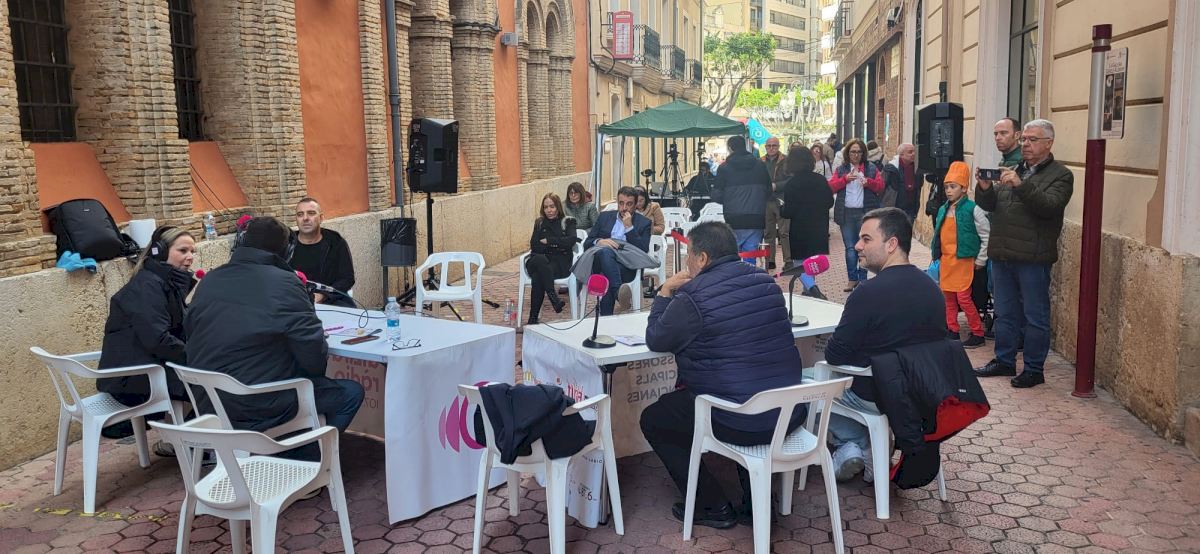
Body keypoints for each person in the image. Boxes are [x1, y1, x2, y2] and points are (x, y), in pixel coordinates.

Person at [640, 221, 805, 528]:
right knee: (745, 388)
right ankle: (758, 505)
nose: (688, 263)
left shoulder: (693, 295)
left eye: (690, 255)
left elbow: (657, 339)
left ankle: (712, 505)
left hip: (739, 421)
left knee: (655, 418)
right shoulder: (766, 282)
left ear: (702, 258)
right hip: (787, 412)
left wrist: (664, 293)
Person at [185, 217, 364, 456]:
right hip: (255, 402)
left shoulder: (210, 280)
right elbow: (314, 357)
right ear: (288, 252)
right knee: (350, 393)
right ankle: (306, 461)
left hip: (208, 399)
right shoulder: (286, 283)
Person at [824, 208, 946, 481]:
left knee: (806, 388)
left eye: (866, 239)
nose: (857, 246)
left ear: (891, 244)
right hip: (923, 396)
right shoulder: (933, 290)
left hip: (876, 395)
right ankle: (863, 445)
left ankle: (857, 443)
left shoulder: (867, 293)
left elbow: (835, 355)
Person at [973, 119, 1073, 389]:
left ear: (1049, 143)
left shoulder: (1061, 175)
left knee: (1034, 316)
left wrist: (1020, 185)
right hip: (1003, 253)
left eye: (1032, 139)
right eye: (1025, 139)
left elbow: (1049, 206)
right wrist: (984, 188)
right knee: (1005, 313)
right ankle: (1004, 360)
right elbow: (992, 205)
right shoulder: (1015, 169)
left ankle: (1033, 369)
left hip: (1032, 258)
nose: (1026, 144)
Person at [98, 226, 196, 441]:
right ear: (160, 251)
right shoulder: (147, 286)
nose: (190, 257)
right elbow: (159, 339)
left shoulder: (165, 282)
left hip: (151, 366)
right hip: (134, 379)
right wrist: (199, 356)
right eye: (183, 251)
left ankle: (186, 440)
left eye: (192, 251)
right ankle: (189, 443)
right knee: (213, 382)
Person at [932, 162, 991, 348]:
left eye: (953, 187)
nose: (949, 191)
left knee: (964, 299)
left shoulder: (973, 209)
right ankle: (952, 329)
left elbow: (986, 235)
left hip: (964, 262)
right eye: (946, 187)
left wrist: (981, 259)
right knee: (948, 299)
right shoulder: (943, 209)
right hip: (947, 261)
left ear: (964, 188)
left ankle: (978, 332)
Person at [583, 186, 653, 315]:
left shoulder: (644, 223)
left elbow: (643, 250)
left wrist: (629, 228)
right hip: (600, 262)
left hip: (627, 267)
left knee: (607, 278)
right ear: (617, 202)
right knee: (605, 251)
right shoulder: (604, 217)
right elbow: (587, 243)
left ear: (635, 205)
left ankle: (605, 321)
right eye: (621, 203)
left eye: (629, 204)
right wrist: (599, 241)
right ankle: (618, 293)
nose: (624, 208)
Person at [828, 138, 885, 292]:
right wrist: (844, 180)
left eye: (859, 152)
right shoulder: (842, 169)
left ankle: (862, 278)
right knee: (850, 248)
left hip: (864, 213)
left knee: (865, 247)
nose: (856, 155)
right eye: (853, 152)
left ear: (863, 153)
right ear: (848, 153)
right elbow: (831, 187)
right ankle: (852, 278)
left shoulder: (871, 168)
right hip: (846, 213)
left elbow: (881, 187)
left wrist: (869, 183)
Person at [711, 135, 772, 264]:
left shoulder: (724, 168)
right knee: (751, 255)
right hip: (756, 217)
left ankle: (737, 276)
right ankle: (749, 275)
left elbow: (716, 195)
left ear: (730, 148)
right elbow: (768, 191)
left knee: (733, 255)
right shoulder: (760, 165)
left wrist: (729, 200)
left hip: (733, 217)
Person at [291, 197, 355, 308]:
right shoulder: (287, 244)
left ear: (321, 218)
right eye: (300, 214)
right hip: (295, 301)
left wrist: (323, 295)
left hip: (331, 300)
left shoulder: (335, 242)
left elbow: (347, 279)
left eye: (311, 213)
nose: (305, 218)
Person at [525, 193, 576, 325]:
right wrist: (558, 245)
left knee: (538, 276)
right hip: (538, 261)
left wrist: (549, 241)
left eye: (552, 206)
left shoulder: (568, 221)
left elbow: (570, 241)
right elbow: (534, 245)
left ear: (558, 207)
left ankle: (533, 319)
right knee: (540, 261)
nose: (549, 210)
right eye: (546, 207)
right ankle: (553, 296)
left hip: (559, 264)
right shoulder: (540, 223)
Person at [781, 146, 834, 264]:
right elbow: (830, 202)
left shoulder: (791, 184)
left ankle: (807, 278)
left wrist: (781, 209)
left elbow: (788, 211)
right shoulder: (820, 180)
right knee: (815, 265)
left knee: (800, 265)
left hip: (799, 231)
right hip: (819, 229)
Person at [761, 137, 790, 270]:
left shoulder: (786, 160)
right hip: (766, 201)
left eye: (774, 146)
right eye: (769, 146)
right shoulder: (760, 161)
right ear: (765, 147)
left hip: (782, 200)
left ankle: (788, 260)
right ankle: (769, 260)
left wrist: (776, 186)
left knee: (784, 232)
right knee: (768, 233)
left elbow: (791, 180)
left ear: (778, 146)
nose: (771, 148)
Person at [882, 143, 921, 222]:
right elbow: (882, 187)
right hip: (894, 208)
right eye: (910, 152)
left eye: (914, 152)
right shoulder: (890, 169)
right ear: (901, 154)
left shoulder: (916, 169)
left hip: (910, 209)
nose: (913, 154)